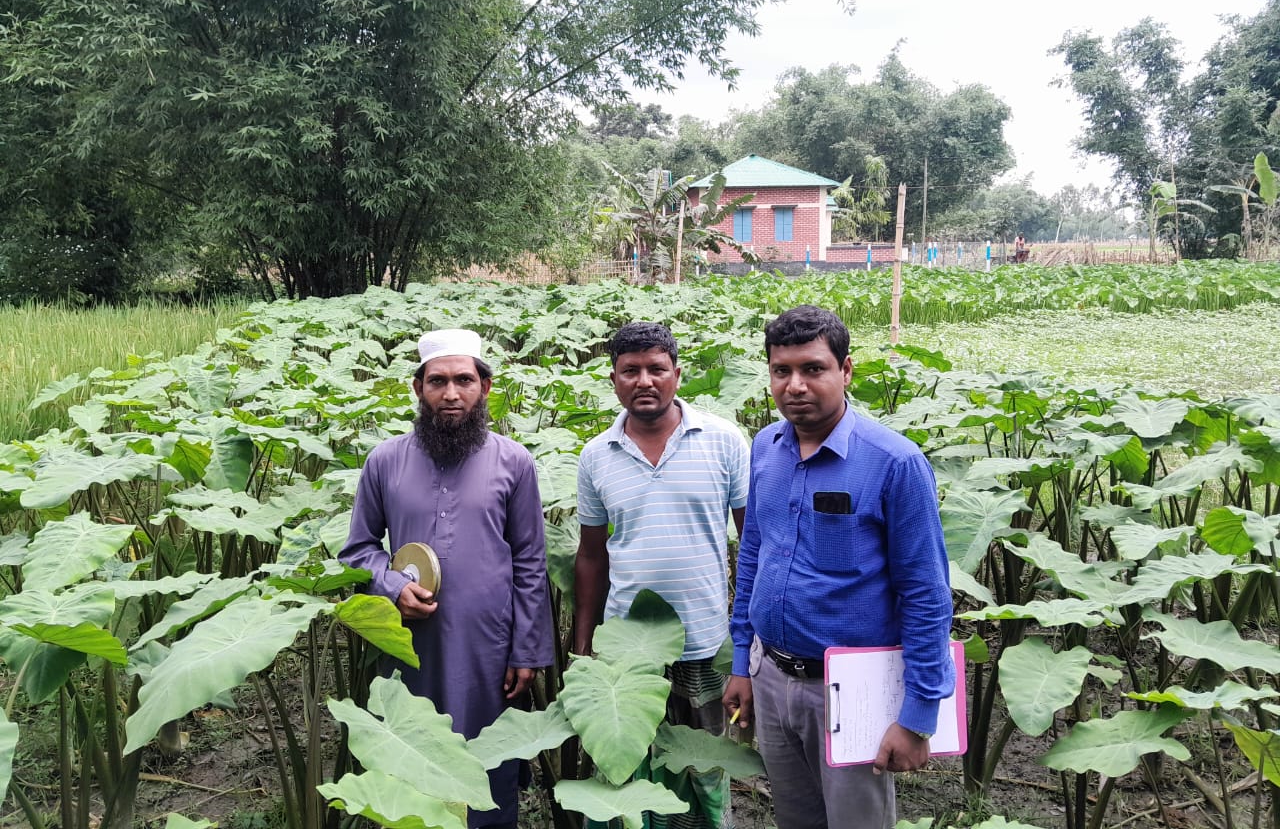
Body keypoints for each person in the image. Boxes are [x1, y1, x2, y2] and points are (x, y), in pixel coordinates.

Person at [723, 306, 954, 829]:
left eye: (813, 369)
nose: (795, 385)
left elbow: (926, 594)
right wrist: (742, 660)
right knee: (795, 818)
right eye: (781, 371)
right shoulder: (765, 448)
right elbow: (754, 553)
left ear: (846, 370)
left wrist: (918, 715)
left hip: (852, 689)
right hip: (771, 674)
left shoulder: (895, 463)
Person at [340, 328, 553, 829]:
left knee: (488, 756)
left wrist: (526, 649)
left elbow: (529, 560)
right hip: (412, 643)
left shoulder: (514, 462)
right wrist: (392, 587)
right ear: (418, 388)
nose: (451, 394)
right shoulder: (384, 461)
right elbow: (358, 551)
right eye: (437, 381)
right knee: (414, 751)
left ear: (485, 387)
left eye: (464, 380)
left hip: (488, 647)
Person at [575, 321, 749, 829]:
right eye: (631, 371)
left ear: (677, 373)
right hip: (626, 648)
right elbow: (591, 556)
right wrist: (584, 643)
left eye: (656, 369)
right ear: (613, 379)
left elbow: (754, 544)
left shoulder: (724, 440)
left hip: (704, 640)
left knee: (703, 771)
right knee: (628, 771)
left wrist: (749, 641)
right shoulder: (595, 455)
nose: (644, 381)